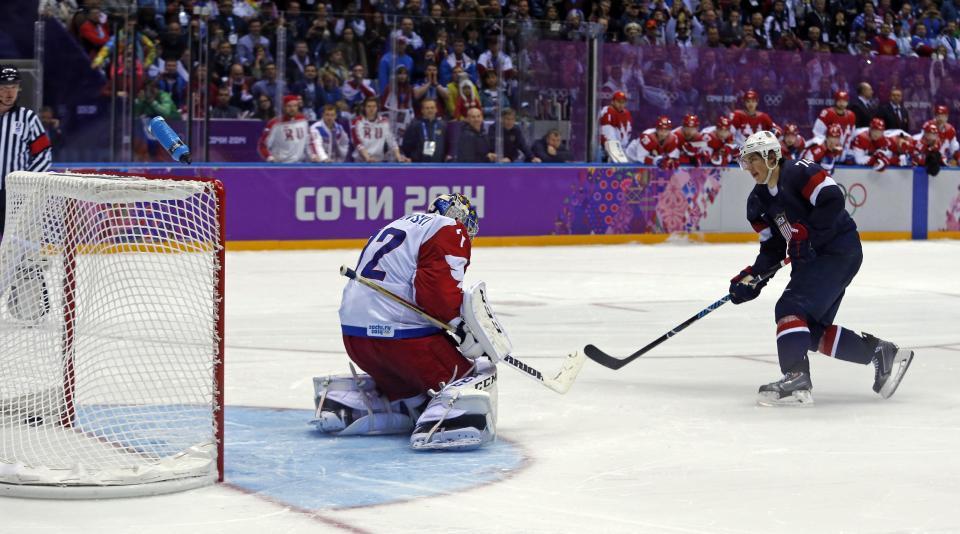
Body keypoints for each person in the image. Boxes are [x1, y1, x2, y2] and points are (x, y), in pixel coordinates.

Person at [730, 130, 914, 406]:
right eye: (746, 161)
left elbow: (833, 199)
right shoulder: (757, 203)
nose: (749, 167)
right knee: (809, 330)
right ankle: (880, 352)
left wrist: (809, 232)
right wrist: (753, 277)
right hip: (811, 260)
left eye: (754, 159)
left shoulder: (799, 172)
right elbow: (773, 249)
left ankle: (795, 376)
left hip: (838, 250)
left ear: (771, 156)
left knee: (789, 308)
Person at [317, 193, 499, 451]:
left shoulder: (400, 224)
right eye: (467, 226)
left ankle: (394, 403)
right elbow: (434, 294)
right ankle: (447, 420)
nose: (466, 234)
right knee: (475, 372)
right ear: (458, 217)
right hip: (402, 341)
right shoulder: (448, 228)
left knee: (410, 384)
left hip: (355, 339)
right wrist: (460, 325)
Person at [0, 66, 52, 235]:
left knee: (18, 241)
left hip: (16, 194)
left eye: (13, 87)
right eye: (4, 88)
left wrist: (25, 181)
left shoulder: (27, 118)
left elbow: (44, 154)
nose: (10, 93)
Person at [257, 95, 321, 163]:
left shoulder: (303, 121)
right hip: (280, 165)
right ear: (284, 107)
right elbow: (263, 145)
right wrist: (269, 157)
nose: (292, 109)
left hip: (299, 164)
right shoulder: (275, 124)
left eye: (295, 106)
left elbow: (309, 142)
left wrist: (313, 155)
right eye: (289, 106)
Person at [351, 96, 409, 163]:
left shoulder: (384, 122)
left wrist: (399, 157)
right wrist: (368, 158)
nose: (371, 109)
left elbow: (392, 141)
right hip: (360, 162)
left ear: (377, 108)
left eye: (374, 106)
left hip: (378, 162)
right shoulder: (356, 122)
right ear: (364, 108)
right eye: (369, 106)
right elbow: (358, 143)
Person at [401, 98, 449, 162]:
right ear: (422, 110)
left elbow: (447, 143)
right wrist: (413, 158)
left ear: (436, 110)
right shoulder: (414, 126)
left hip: (439, 164)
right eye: (427, 108)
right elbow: (406, 146)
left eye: (432, 108)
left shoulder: (443, 126)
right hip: (419, 165)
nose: (430, 110)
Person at [598, 91, 632, 162]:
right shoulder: (608, 111)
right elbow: (609, 137)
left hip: (622, 149)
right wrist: (616, 152)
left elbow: (627, 135)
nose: (621, 104)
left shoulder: (627, 113)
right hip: (606, 151)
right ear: (612, 102)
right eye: (618, 102)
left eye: (623, 102)